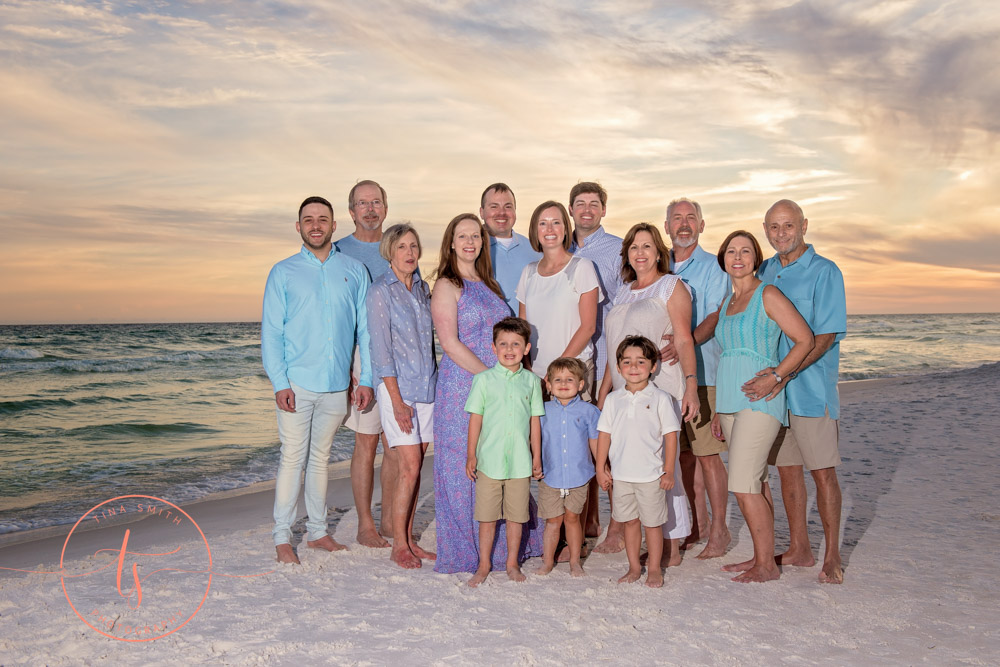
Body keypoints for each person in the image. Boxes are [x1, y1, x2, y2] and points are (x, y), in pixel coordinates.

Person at [430, 214, 544, 574]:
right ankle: (469, 552)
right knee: (465, 465)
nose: (469, 241)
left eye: (475, 236)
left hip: (500, 383)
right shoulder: (447, 285)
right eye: (461, 235)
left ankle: (508, 550)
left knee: (502, 457)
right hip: (464, 383)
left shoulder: (489, 284)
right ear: (451, 242)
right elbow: (449, 343)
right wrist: (492, 378)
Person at [261, 196, 372, 564]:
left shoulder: (354, 270)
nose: (315, 225)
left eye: (322, 219)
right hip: (297, 383)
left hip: (336, 385)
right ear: (299, 226)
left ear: (333, 225)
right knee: (292, 457)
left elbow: (365, 332)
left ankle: (318, 533)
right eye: (308, 220)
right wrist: (279, 382)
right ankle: (281, 537)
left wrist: (366, 378)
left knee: (321, 459)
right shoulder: (283, 272)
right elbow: (271, 333)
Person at [748, 199, 848, 584]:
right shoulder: (767, 271)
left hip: (808, 389)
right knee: (787, 471)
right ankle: (800, 548)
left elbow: (823, 338)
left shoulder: (826, 272)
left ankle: (833, 556)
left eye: (788, 226)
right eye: (773, 227)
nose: (780, 234)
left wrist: (783, 374)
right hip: (775, 393)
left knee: (822, 473)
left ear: (804, 225)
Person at [710, 230, 814, 583]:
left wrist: (779, 376)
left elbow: (805, 339)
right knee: (756, 480)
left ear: (756, 258)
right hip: (729, 404)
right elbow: (728, 355)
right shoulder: (726, 303)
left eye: (746, 251)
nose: (738, 257)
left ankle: (767, 567)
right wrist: (718, 410)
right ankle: (762, 556)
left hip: (760, 400)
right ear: (723, 257)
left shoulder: (767, 294)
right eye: (731, 251)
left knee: (742, 482)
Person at [596, 223, 697, 566]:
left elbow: (683, 339)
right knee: (630, 463)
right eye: (634, 247)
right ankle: (640, 533)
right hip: (624, 392)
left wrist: (692, 385)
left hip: (661, 387)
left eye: (647, 246)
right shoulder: (623, 292)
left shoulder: (672, 287)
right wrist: (604, 392)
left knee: (662, 466)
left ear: (659, 252)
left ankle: (673, 540)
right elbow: (615, 347)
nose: (640, 253)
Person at [660, 198, 733, 560]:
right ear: (667, 226)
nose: (684, 224)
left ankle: (720, 531)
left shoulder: (714, 269)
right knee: (683, 457)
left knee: (708, 456)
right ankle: (697, 526)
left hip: (703, 373)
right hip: (666, 379)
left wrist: (685, 341)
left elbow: (716, 316)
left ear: (702, 226)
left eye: (691, 218)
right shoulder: (660, 266)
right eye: (677, 219)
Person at [366, 223, 437, 569]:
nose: (409, 253)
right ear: (389, 253)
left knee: (417, 466)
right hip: (399, 390)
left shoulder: (424, 290)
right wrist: (396, 401)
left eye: (413, 246)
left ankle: (409, 540)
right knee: (408, 466)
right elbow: (381, 353)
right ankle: (399, 546)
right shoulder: (381, 291)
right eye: (401, 247)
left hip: (428, 388)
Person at [335, 179, 395, 548]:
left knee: (398, 445)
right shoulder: (338, 249)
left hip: (399, 355)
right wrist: (348, 368)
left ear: (385, 207)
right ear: (351, 211)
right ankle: (365, 525)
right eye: (362, 203)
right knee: (367, 443)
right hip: (360, 356)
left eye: (376, 202)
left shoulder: (398, 245)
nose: (370, 209)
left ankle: (391, 521)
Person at [464, 317, 545, 586]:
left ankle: (512, 563)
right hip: (489, 461)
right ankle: (484, 564)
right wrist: (471, 454)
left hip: (520, 464)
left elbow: (535, 421)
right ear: (493, 347)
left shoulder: (532, 382)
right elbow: (475, 419)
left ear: (526, 348)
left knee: (516, 517)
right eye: (503, 344)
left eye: (516, 344)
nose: (509, 349)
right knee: (486, 517)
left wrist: (537, 456)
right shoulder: (483, 380)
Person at [595, 336, 681, 588]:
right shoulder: (613, 399)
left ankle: (654, 569)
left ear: (653, 366)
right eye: (627, 362)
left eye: (641, 361)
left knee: (653, 525)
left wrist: (668, 471)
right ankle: (634, 567)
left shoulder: (661, 398)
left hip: (651, 476)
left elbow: (671, 437)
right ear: (619, 367)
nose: (633, 367)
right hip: (621, 476)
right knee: (629, 523)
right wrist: (601, 468)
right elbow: (604, 436)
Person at [568, 182, 624, 542]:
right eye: (580, 204)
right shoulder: (559, 246)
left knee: (613, 444)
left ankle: (619, 524)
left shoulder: (619, 250)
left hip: (606, 356)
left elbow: (629, 300)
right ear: (570, 209)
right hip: (571, 361)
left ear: (603, 210)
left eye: (594, 204)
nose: (586, 210)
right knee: (579, 440)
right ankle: (588, 521)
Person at [516, 201, 601, 393]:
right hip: (535, 377)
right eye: (543, 223)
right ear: (535, 230)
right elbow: (522, 328)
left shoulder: (582, 267)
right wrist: (528, 370)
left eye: (556, 222)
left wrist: (556, 371)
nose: (549, 229)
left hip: (572, 373)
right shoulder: (528, 273)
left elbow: (588, 327)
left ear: (565, 229)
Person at [535, 357, 601, 577]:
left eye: (569, 379)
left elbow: (594, 441)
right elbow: (534, 440)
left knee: (572, 519)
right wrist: (532, 463)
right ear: (549, 385)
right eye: (558, 379)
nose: (563, 383)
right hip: (550, 475)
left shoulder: (589, 411)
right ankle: (547, 562)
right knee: (552, 522)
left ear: (581, 384)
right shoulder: (542, 411)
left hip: (579, 475)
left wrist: (601, 467)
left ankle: (574, 561)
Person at [480, 183, 541, 313]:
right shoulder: (472, 251)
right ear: (481, 212)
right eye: (494, 206)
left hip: (531, 332)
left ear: (515, 211)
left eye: (508, 206)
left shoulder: (535, 249)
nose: (501, 213)